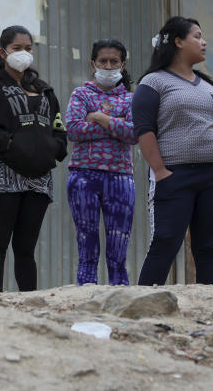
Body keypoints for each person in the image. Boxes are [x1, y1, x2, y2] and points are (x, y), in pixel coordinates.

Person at [132, 16, 213, 286]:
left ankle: (210, 307)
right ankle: (143, 302)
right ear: (178, 41)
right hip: (174, 176)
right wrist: (160, 171)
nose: (204, 42)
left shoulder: (210, 87)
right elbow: (144, 130)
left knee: (208, 248)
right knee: (165, 241)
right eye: (197, 36)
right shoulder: (153, 82)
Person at [0, 25, 67, 292]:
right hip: (3, 175)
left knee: (26, 248)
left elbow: (58, 125)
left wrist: (55, 149)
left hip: (38, 179)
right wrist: (9, 144)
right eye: (17, 48)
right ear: (3, 52)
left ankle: (29, 302)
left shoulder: (44, 89)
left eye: (28, 48)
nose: (24, 53)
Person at [65, 39, 138, 286]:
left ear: (123, 65)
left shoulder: (131, 99)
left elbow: (134, 134)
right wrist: (115, 124)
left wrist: (98, 118)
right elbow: (73, 129)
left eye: (114, 61)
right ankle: (86, 295)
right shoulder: (81, 93)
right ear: (93, 63)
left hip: (120, 178)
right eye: (103, 61)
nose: (108, 66)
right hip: (83, 177)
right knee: (87, 244)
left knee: (118, 249)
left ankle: (120, 295)